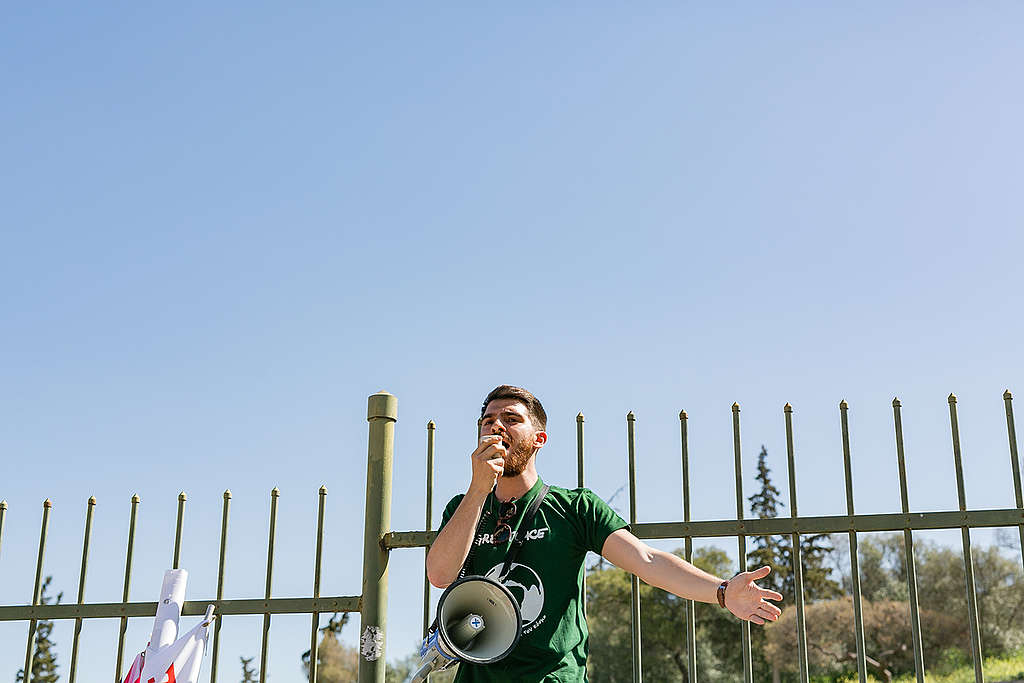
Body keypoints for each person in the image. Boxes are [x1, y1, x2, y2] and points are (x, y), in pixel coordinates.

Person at [426, 385, 783, 682]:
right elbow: (440, 576)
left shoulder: (575, 508)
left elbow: (647, 561)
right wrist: (477, 490)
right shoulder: (464, 507)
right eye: (488, 421)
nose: (497, 427)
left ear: (539, 438)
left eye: (511, 419)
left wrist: (721, 592)